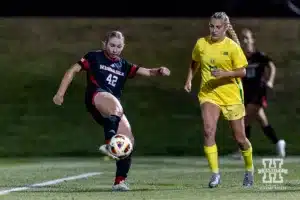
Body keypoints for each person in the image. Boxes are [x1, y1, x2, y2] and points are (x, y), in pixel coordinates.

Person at [52, 30, 171, 191]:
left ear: (123, 47)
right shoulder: (94, 57)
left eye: (119, 46)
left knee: (129, 141)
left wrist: (159, 71)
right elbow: (72, 70)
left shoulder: (124, 65)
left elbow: (148, 71)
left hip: (111, 113)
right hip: (96, 97)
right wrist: (60, 93)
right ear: (105, 44)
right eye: (112, 45)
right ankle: (109, 144)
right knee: (115, 106)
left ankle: (119, 182)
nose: (115, 49)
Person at [184, 12, 254, 188]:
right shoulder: (201, 43)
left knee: (240, 138)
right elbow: (194, 61)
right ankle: (215, 174)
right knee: (208, 131)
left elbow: (242, 72)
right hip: (209, 94)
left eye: (218, 27)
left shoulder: (232, 47)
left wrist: (224, 74)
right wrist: (189, 78)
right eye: (211, 26)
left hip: (231, 95)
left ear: (225, 28)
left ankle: (249, 170)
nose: (214, 30)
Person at [231, 28, 286, 159]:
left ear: (252, 40)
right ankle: (278, 142)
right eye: (242, 38)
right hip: (247, 94)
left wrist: (270, 81)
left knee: (244, 120)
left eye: (247, 38)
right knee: (262, 121)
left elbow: (271, 66)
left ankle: (243, 150)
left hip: (259, 92)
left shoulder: (259, 56)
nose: (244, 41)